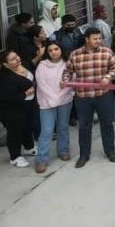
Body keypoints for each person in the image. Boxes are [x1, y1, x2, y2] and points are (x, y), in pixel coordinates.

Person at [62, 28, 115, 168]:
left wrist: (108, 77)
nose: (98, 41)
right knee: (84, 127)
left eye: (100, 38)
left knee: (107, 124)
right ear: (87, 39)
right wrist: (65, 80)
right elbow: (68, 71)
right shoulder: (75, 55)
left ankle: (110, 151)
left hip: (103, 95)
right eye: (95, 38)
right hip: (83, 97)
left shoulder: (107, 52)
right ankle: (84, 155)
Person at [0, 50, 36, 169]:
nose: (17, 59)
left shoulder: (23, 64)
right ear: (6, 64)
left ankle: (28, 147)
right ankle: (15, 157)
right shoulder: (5, 77)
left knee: (27, 126)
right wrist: (26, 93)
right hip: (11, 109)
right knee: (14, 132)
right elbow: (7, 98)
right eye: (13, 59)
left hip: (27, 105)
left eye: (16, 56)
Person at [34, 42, 73, 173]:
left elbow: (72, 82)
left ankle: (63, 150)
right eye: (50, 50)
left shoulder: (68, 64)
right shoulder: (42, 66)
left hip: (65, 100)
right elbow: (42, 85)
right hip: (47, 103)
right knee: (47, 131)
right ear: (47, 53)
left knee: (63, 127)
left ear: (61, 49)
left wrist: (60, 97)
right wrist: (54, 98)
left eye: (56, 49)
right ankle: (41, 159)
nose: (54, 52)